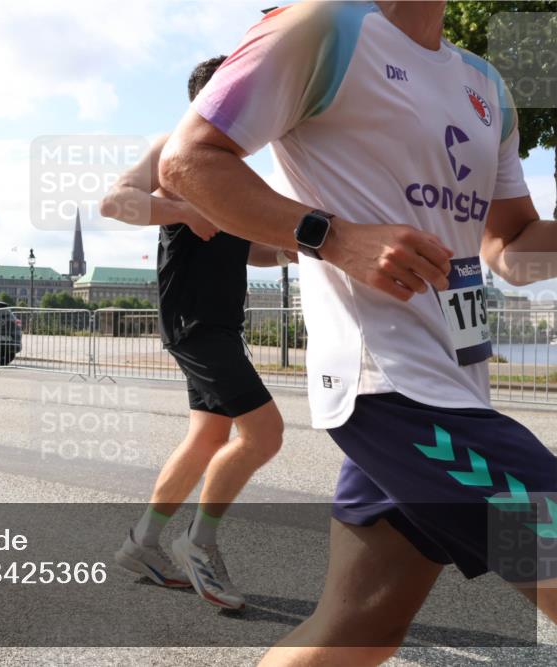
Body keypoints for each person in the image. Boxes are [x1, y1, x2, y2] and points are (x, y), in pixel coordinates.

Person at [159, 1, 557, 662]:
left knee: (355, 633)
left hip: (456, 394)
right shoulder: (322, 27)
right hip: (391, 395)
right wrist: (333, 236)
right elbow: (188, 163)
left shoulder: (487, 85)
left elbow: (508, 243)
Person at [104, 56, 292, 610]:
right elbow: (115, 202)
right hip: (194, 321)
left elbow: (241, 244)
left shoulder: (231, 165)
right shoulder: (171, 148)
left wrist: (287, 251)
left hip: (218, 322)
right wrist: (181, 209)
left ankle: (142, 543)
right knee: (265, 434)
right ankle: (198, 543)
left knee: (208, 437)